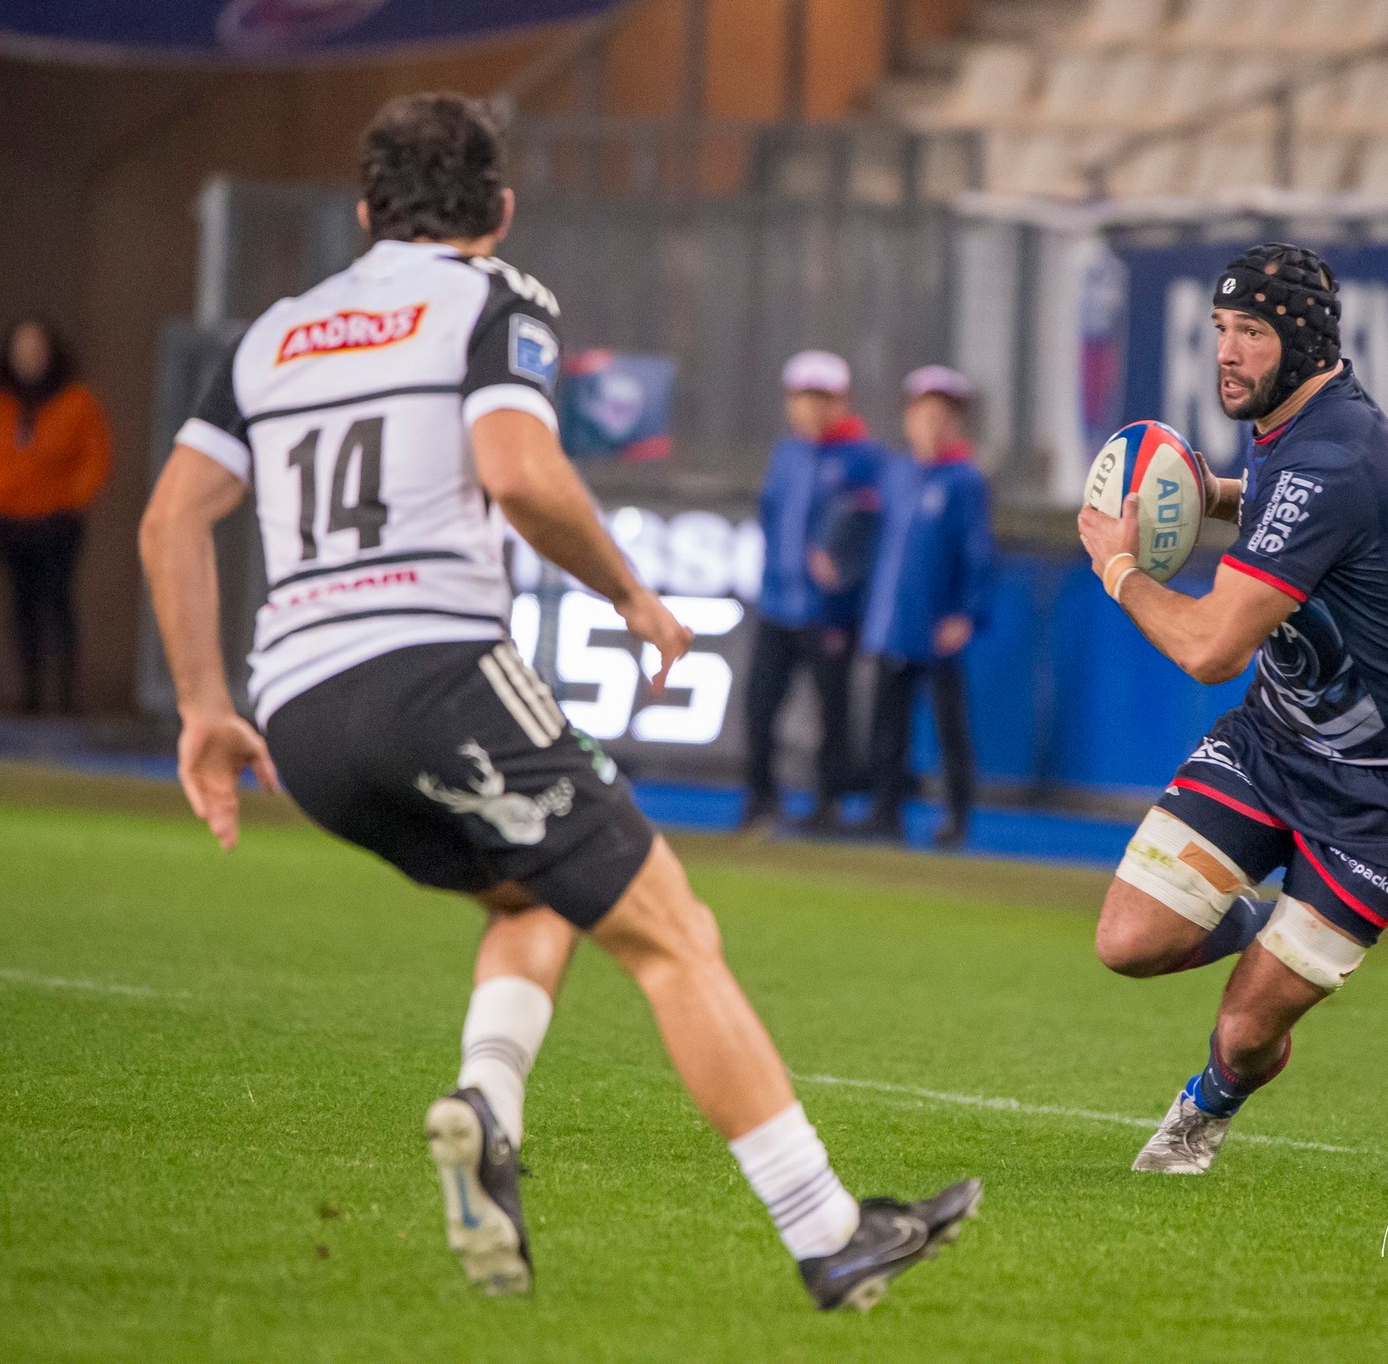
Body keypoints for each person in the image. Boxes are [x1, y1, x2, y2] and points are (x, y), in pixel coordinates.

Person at [137, 92, 976, 1309]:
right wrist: (633, 595)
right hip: (435, 672)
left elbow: (172, 519)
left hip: (300, 718)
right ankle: (829, 1229)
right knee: (672, 931)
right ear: (501, 212)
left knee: (533, 887)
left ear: (366, 212)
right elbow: (519, 472)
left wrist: (204, 707)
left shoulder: (271, 334)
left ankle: (487, 1105)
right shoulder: (490, 297)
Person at [1077, 243, 1388, 1173]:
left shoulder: (1330, 461)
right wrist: (1202, 494)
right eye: (1220, 329)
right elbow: (1274, 501)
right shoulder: (1304, 429)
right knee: (1129, 941)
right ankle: (1271, 923)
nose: (1225, 352)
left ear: (1303, 343)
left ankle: (1203, 1112)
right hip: (1280, 740)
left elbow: (1211, 650)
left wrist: (1118, 564)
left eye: (1250, 333)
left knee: (1247, 1036)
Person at [742, 350, 884, 833]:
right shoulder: (788, 453)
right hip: (779, 606)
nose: (812, 408)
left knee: (833, 715)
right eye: (804, 398)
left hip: (829, 612)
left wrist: (845, 573)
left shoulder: (864, 458)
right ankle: (761, 801)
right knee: (760, 706)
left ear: (841, 402)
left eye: (823, 398)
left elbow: (874, 529)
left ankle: (830, 804)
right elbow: (770, 517)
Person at [857, 365, 994, 848]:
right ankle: (884, 810)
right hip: (895, 622)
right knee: (887, 724)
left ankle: (957, 816)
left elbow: (978, 554)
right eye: (924, 415)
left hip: (938, 625)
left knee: (948, 727)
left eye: (943, 417)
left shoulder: (964, 481)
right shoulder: (896, 474)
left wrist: (966, 614)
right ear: (909, 419)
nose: (932, 426)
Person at [0, 317, 112, 713]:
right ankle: (31, 696)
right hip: (6, 519)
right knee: (22, 604)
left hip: (56, 521)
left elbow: (94, 456)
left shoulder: (76, 402)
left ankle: (66, 697)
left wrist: (72, 497)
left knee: (57, 602)